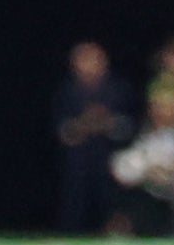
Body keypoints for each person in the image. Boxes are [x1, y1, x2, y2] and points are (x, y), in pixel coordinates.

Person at [53, 40, 135, 234]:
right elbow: (62, 130)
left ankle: (115, 230)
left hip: (111, 157)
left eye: (92, 59)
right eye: (82, 60)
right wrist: (83, 125)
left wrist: (106, 123)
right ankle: (71, 234)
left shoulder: (119, 90)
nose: (87, 65)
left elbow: (129, 126)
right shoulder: (67, 92)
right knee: (75, 192)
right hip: (78, 161)